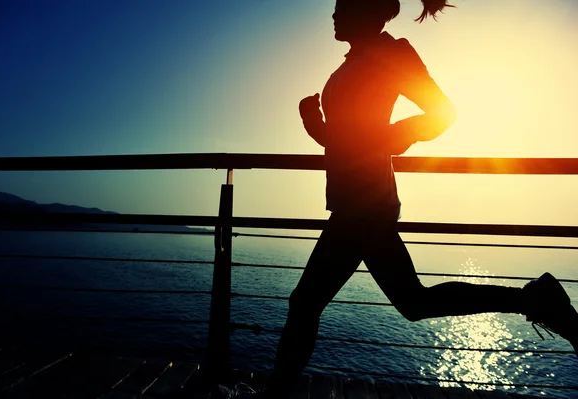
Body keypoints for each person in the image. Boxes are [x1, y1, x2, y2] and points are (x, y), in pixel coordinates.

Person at [220, 0, 578, 397]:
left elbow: (442, 112)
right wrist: (314, 123)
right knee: (410, 302)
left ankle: (277, 394)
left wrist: (388, 137)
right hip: (352, 200)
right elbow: (343, 141)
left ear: (365, 10)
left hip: (364, 202)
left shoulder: (391, 52)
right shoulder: (353, 61)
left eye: (341, 6)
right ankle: (535, 299)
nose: (334, 14)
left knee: (307, 303)